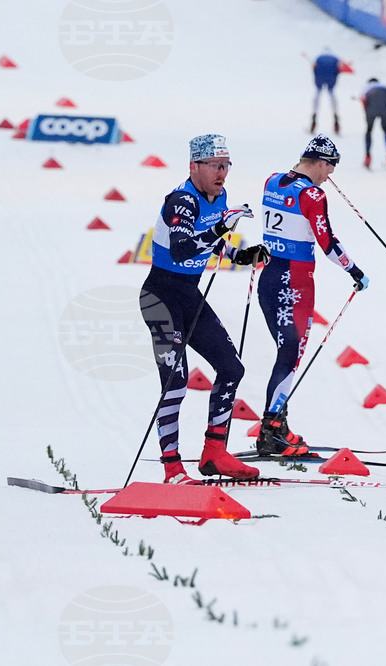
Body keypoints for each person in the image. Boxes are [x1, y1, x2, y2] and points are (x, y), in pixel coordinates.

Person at [139, 134, 270, 483]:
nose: (221, 173)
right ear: (194, 166)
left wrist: (239, 254)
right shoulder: (181, 201)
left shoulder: (219, 197)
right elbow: (182, 249)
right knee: (176, 382)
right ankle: (172, 469)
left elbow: (211, 243)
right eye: (214, 165)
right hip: (160, 297)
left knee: (231, 368)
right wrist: (221, 226)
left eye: (226, 165)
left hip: (188, 295)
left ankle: (214, 453)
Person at [255, 134, 369, 455]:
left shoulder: (272, 181)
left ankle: (275, 426)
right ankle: (272, 430)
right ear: (320, 162)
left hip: (269, 278)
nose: (330, 175)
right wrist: (354, 270)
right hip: (295, 283)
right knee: (290, 354)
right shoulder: (313, 194)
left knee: (286, 353)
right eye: (330, 167)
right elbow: (327, 242)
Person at [307, 51, 344, 134]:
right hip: (331, 79)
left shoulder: (318, 58)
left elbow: (314, 69)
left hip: (320, 78)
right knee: (332, 95)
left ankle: (314, 119)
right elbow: (338, 70)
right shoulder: (335, 59)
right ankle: (336, 120)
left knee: (317, 95)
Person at [361, 77, 386, 169]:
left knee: (369, 130)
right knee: (385, 128)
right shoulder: (384, 86)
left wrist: (367, 112)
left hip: (371, 108)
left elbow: (363, 101)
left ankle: (367, 156)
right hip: (385, 108)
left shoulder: (366, 87)